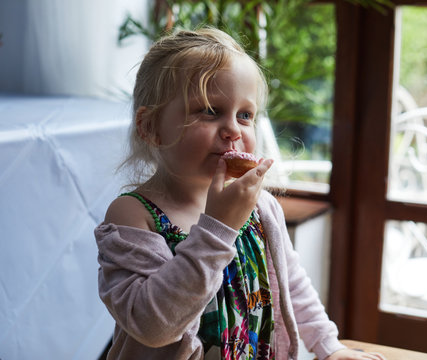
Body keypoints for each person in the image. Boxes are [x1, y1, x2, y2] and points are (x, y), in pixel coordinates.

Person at [95, 27, 385, 360]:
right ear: (150, 128)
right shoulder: (134, 215)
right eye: (210, 110)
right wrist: (218, 228)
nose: (233, 129)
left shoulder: (261, 207)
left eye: (245, 115)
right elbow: (154, 326)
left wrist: (329, 346)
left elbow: (292, 285)